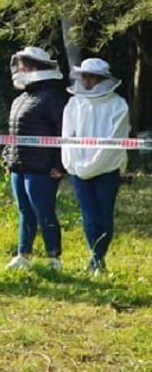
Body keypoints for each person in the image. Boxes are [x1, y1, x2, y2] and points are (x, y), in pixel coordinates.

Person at [62, 58, 130, 275]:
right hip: (79, 170)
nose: (88, 81)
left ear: (102, 79)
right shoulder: (74, 103)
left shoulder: (118, 104)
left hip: (107, 170)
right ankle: (95, 257)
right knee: (89, 215)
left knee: (104, 215)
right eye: (85, 76)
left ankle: (99, 257)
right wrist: (76, 165)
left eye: (92, 77)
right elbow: (67, 137)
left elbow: (115, 140)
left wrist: (93, 164)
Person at [4, 47, 68, 271]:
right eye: (20, 65)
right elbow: (13, 133)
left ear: (38, 68)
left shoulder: (52, 98)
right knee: (24, 210)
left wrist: (60, 165)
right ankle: (24, 255)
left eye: (26, 66)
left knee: (44, 210)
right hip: (19, 166)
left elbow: (63, 133)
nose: (21, 70)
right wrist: (8, 158)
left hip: (43, 168)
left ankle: (54, 258)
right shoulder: (20, 98)